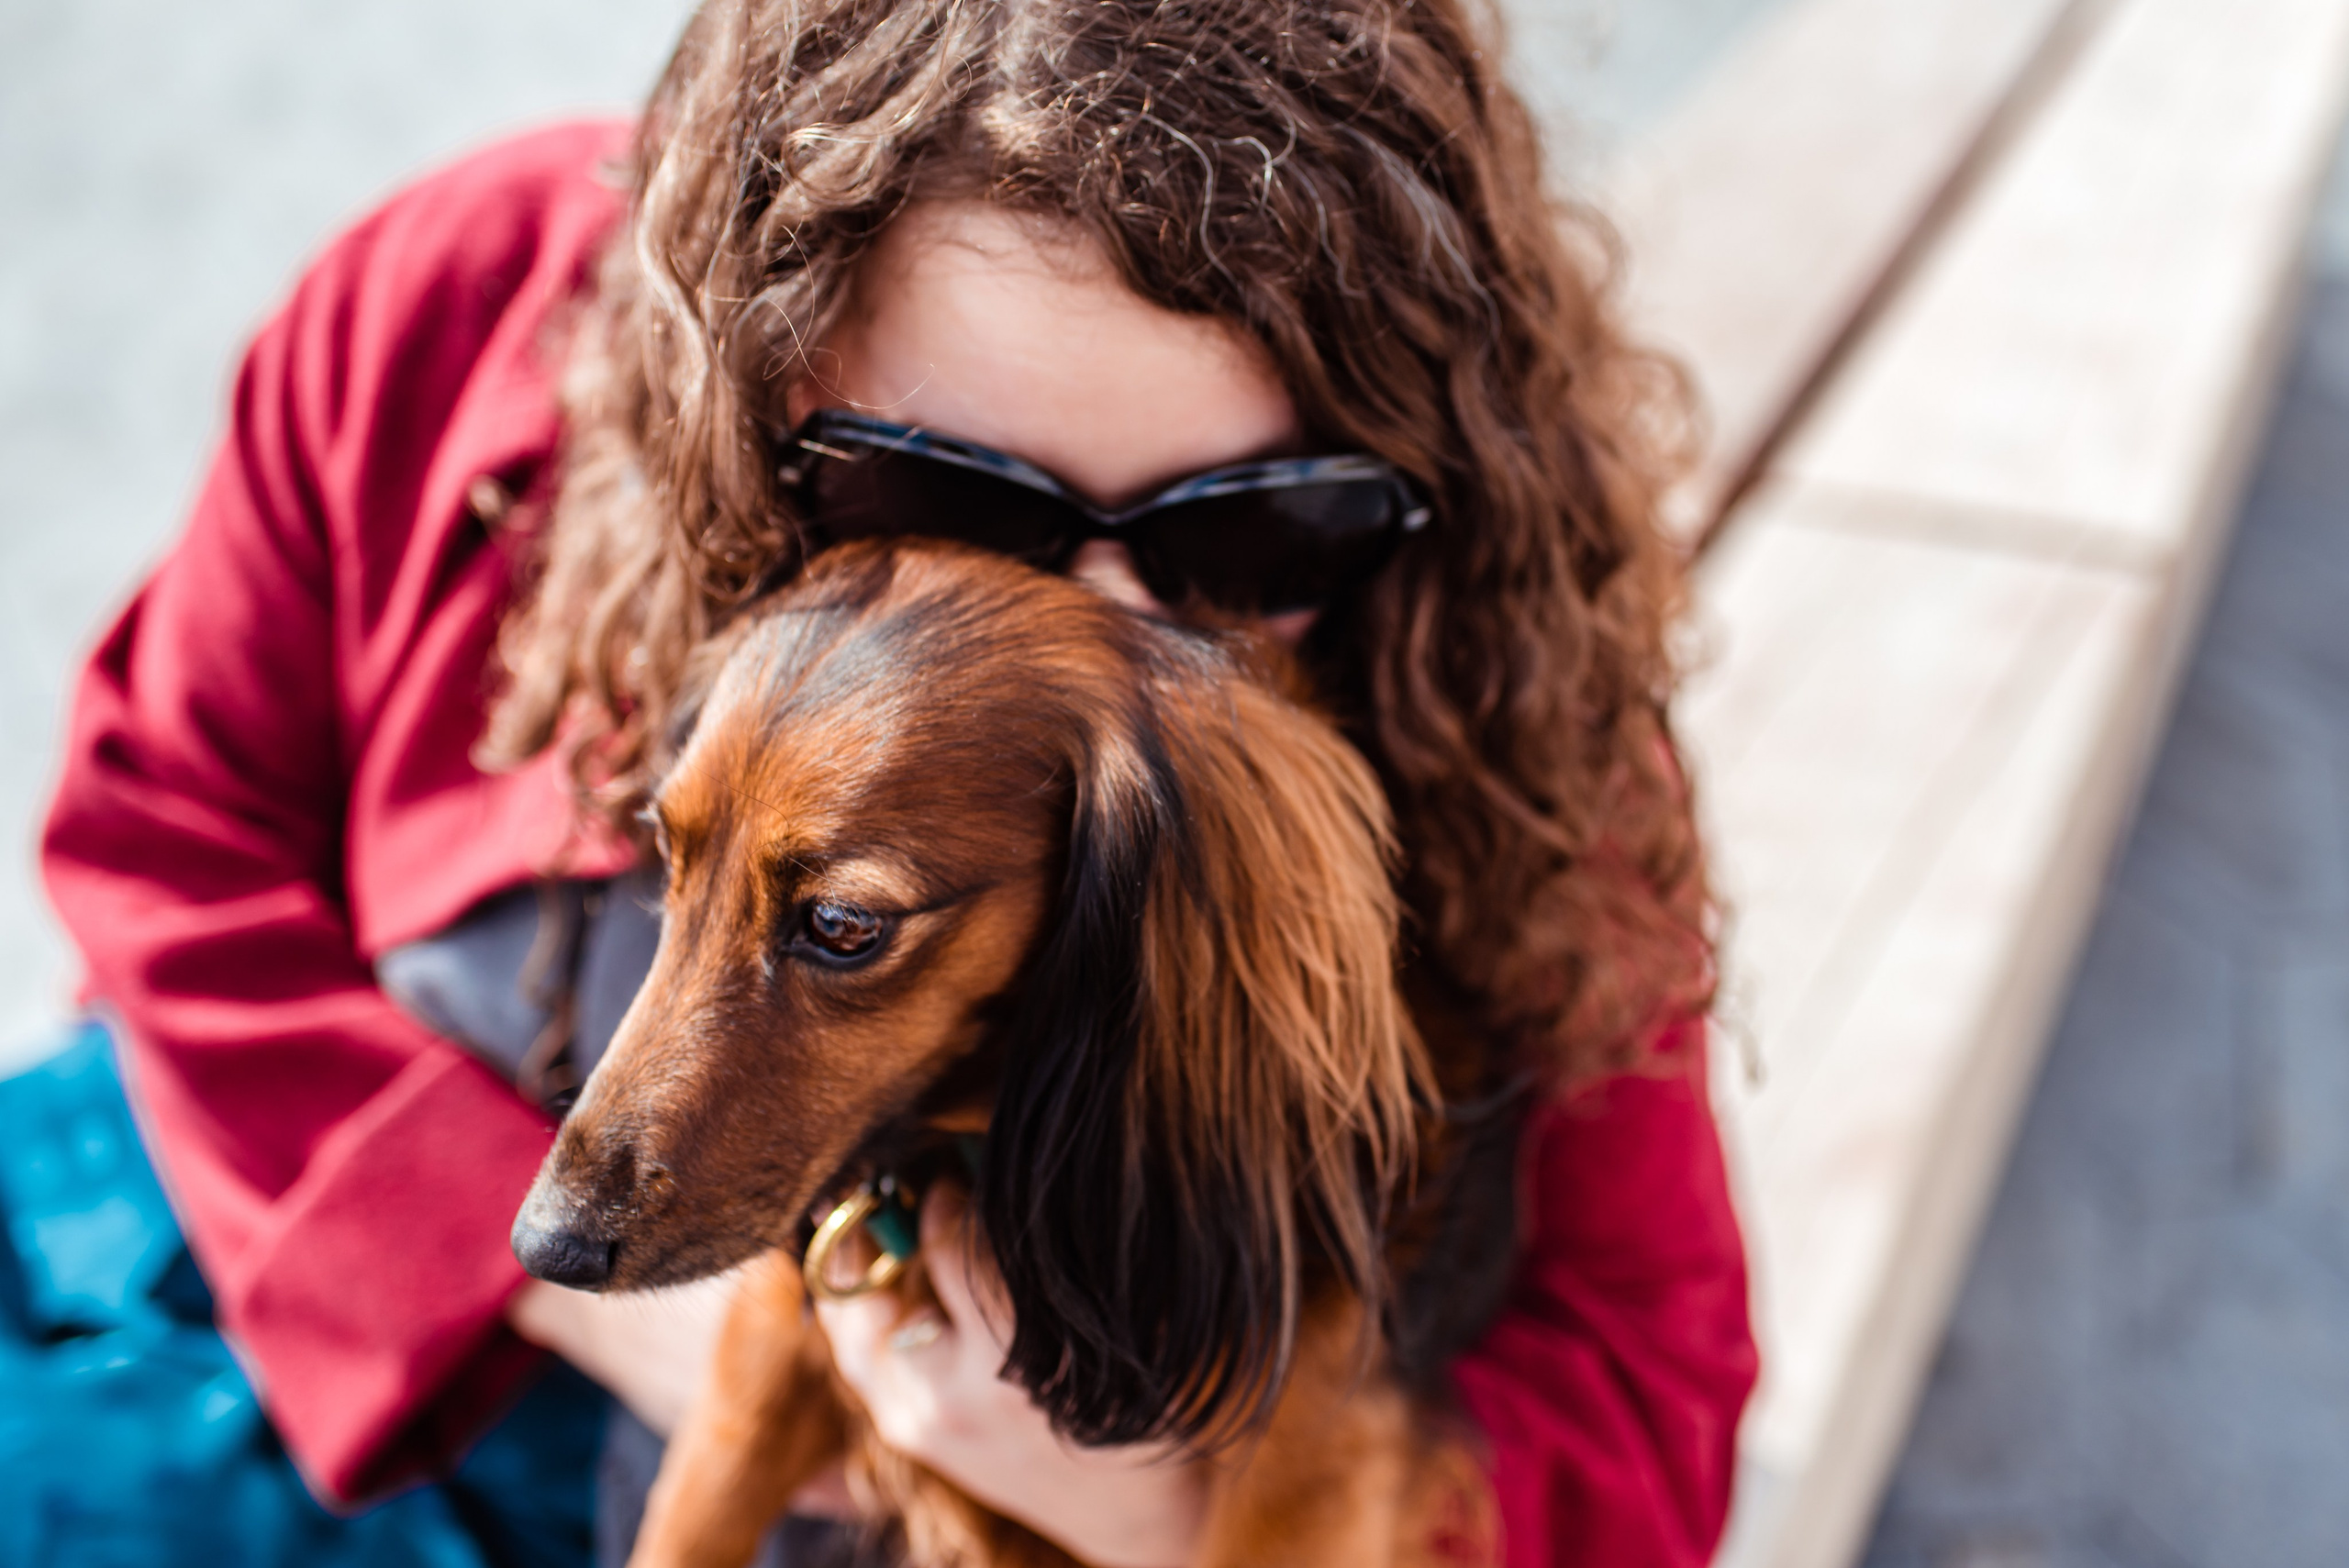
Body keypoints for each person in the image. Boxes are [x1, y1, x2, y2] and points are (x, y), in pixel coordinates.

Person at [35, 1, 1757, 1563]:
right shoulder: (454, 303)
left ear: (1410, 471)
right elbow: (154, 830)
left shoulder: (1516, 727)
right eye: (945, 504)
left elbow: (1649, 1403)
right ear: (760, 372)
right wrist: (552, 1291)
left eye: (1251, 529)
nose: (1098, 627)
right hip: (265, 1237)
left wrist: (1154, 1497)